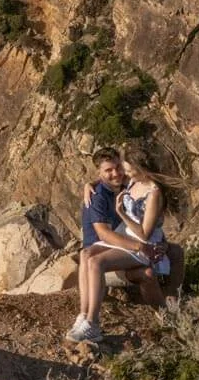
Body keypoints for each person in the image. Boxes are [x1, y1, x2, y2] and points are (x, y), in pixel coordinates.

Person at [65, 143, 170, 344]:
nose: (119, 173)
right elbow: (103, 233)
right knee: (86, 254)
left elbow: (147, 233)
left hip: (139, 242)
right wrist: (91, 184)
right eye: (110, 170)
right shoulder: (124, 186)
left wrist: (156, 242)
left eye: (122, 168)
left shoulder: (141, 187)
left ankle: (93, 324)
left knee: (95, 262)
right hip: (128, 240)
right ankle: (84, 316)